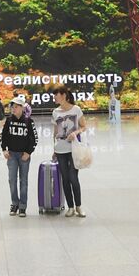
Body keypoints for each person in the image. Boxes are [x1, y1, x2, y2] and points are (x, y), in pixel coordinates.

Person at [50, 86, 86, 217]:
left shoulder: (76, 109)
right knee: (65, 179)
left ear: (64, 95)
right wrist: (54, 149)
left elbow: (84, 126)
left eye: (56, 95)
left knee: (73, 177)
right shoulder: (55, 112)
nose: (54, 97)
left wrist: (75, 133)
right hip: (60, 150)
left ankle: (79, 206)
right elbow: (55, 133)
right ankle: (70, 207)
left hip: (73, 149)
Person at [0, 96, 37, 216]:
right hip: (11, 155)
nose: (13, 109)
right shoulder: (9, 120)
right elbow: (2, 136)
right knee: (12, 180)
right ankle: (14, 203)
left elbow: (34, 139)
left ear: (22, 108)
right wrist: (4, 150)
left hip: (24, 156)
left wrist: (28, 152)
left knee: (23, 181)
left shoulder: (29, 121)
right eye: (12, 107)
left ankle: (22, 206)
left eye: (16, 107)